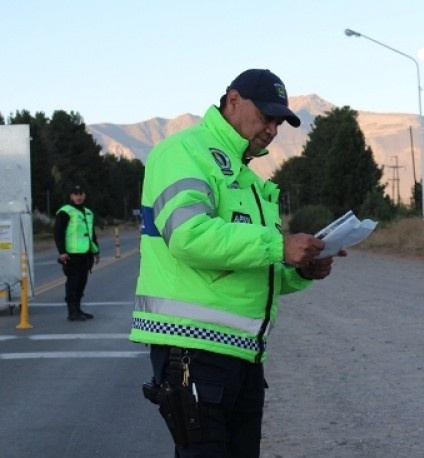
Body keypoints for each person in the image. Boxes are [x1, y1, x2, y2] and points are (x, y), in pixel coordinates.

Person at [130, 68, 344, 457]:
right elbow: (188, 234)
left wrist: (300, 268)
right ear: (233, 101)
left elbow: (252, 266)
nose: (273, 129)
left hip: (242, 356)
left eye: (279, 122)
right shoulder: (184, 152)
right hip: (193, 351)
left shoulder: (244, 175)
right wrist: (279, 246)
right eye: (266, 117)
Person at [53, 184, 100, 321]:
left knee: (82, 282)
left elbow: (92, 234)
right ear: (71, 196)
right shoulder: (65, 211)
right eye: (75, 194)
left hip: (85, 253)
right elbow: (58, 233)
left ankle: (78, 309)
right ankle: (72, 312)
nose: (78, 197)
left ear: (84, 195)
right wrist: (62, 252)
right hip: (71, 254)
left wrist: (96, 251)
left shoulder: (88, 212)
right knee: (73, 282)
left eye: (80, 194)